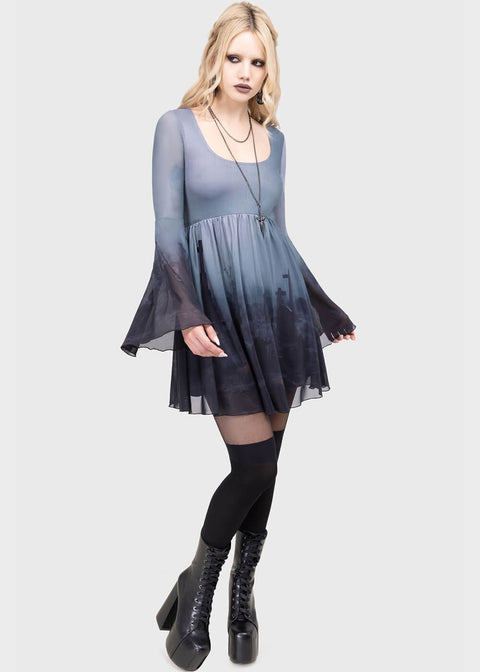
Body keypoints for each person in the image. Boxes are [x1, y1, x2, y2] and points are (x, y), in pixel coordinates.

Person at [120, 2, 356, 669]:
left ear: (269, 69)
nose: (246, 71)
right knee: (253, 464)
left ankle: (242, 598)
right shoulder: (176, 127)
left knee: (267, 464)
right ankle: (198, 586)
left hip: (277, 313)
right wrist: (187, 312)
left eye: (258, 61)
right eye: (235, 57)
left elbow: (278, 234)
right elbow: (169, 230)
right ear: (215, 57)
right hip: (216, 311)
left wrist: (320, 306)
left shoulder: (276, 142)